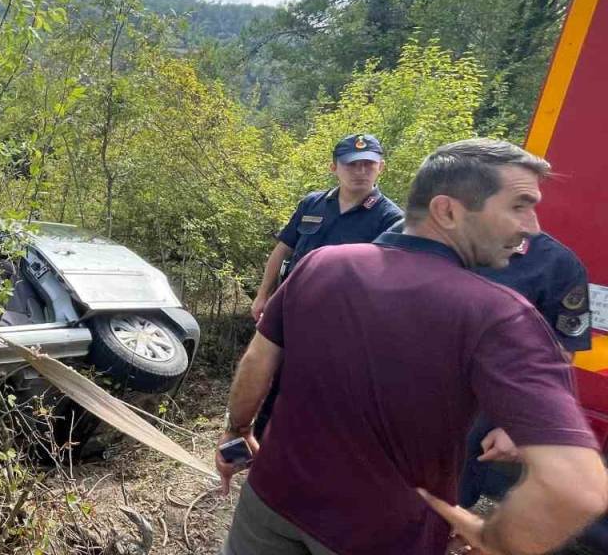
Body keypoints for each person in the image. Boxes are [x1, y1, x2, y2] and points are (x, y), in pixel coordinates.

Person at [216, 138, 606, 555]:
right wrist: (501, 538)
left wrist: (237, 429)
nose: (531, 226)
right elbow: (577, 486)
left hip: (273, 500)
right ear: (448, 211)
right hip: (382, 531)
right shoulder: (501, 314)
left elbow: (258, 359)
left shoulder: (322, 264)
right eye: (518, 206)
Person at [249, 134, 403, 438]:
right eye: (352, 164)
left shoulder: (391, 219)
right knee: (271, 382)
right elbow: (283, 250)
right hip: (290, 310)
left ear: (381, 167)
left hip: (340, 325)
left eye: (368, 164)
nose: (360, 171)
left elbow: (387, 283)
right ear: (334, 167)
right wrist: (262, 296)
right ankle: (261, 453)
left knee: (317, 392)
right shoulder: (313, 203)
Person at [458, 231, 593, 507]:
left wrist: (516, 426)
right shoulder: (433, 238)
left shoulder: (555, 263)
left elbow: (558, 360)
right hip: (404, 406)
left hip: (477, 418)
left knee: (447, 508)